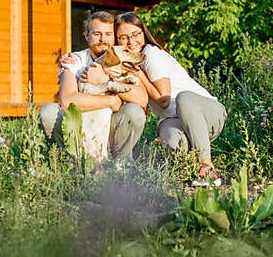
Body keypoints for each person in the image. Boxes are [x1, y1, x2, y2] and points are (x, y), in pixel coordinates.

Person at [113, 11, 227, 187]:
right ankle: (188, 169)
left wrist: (139, 75)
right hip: (176, 120)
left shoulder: (151, 55)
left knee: (184, 98)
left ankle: (207, 166)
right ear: (117, 41)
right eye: (123, 37)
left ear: (143, 32)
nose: (131, 41)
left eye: (136, 34)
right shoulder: (128, 63)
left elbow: (164, 100)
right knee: (171, 141)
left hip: (208, 114)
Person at [38, 10, 147, 160]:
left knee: (134, 111)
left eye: (108, 34)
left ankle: (120, 164)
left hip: (110, 128)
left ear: (114, 37)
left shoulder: (123, 59)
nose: (103, 39)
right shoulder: (75, 61)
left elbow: (142, 100)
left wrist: (105, 80)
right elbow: (67, 101)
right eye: (97, 34)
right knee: (48, 112)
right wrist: (112, 101)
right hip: (79, 127)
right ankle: (72, 159)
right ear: (86, 35)